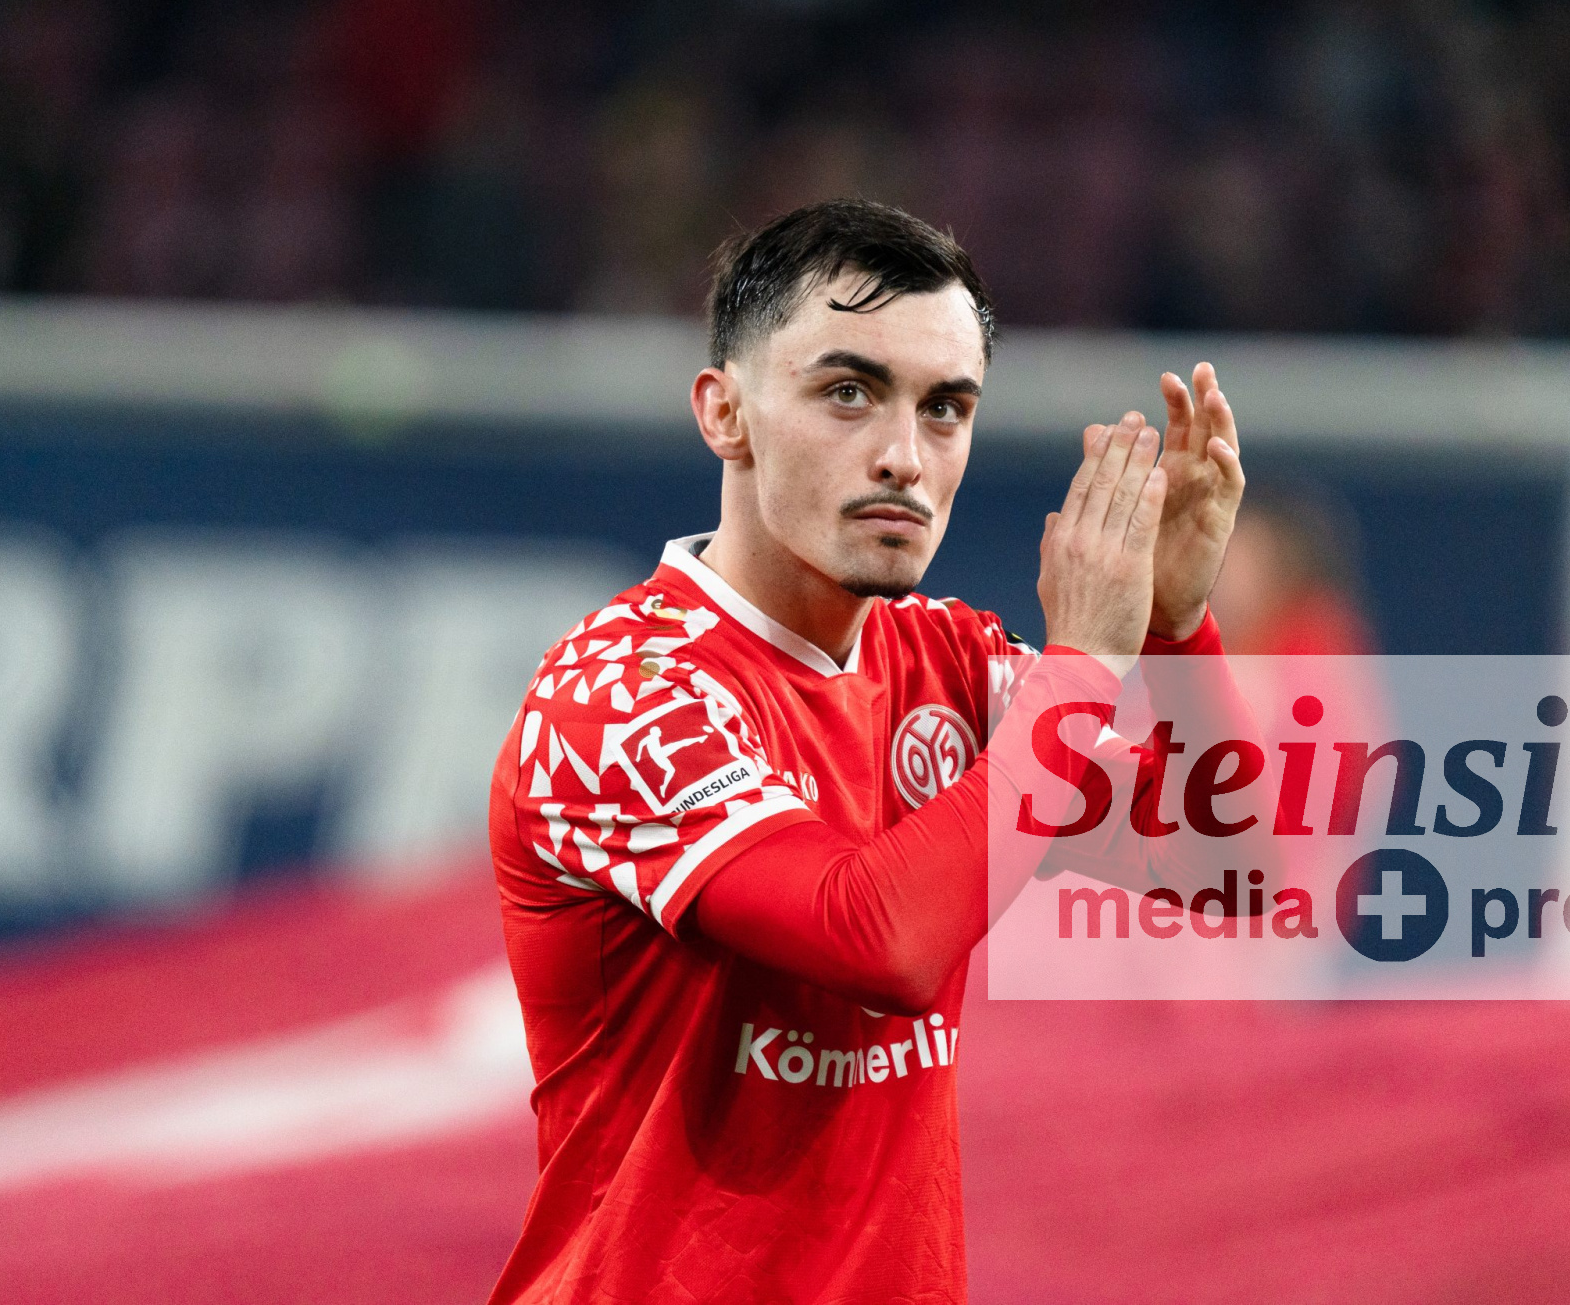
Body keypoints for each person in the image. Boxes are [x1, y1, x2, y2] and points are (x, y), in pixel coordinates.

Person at [486, 198, 1245, 1303]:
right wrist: (1084, 667)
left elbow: (1231, 870)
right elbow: (879, 942)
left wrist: (1175, 632)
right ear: (725, 413)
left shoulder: (952, 663)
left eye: (944, 408)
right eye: (848, 391)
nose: (903, 457)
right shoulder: (617, 695)